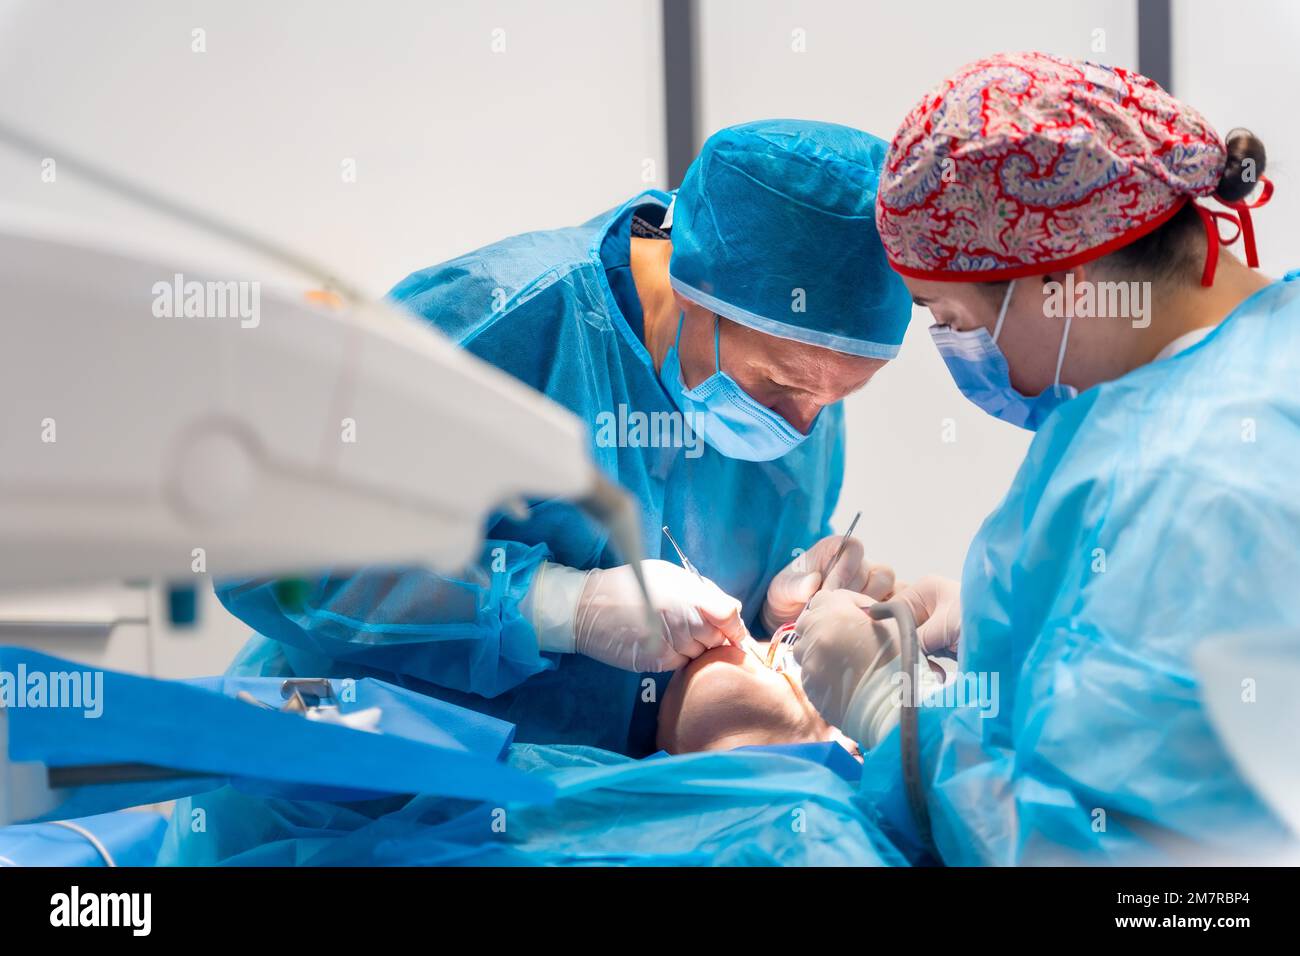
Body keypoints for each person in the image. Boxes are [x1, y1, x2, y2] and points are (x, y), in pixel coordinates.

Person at [214, 119, 911, 754]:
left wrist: (783, 605)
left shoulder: (803, 368)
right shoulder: (506, 321)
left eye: (843, 395)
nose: (802, 425)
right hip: (362, 787)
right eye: (779, 388)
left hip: (599, 807)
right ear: (693, 289)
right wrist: (558, 606)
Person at [794, 51, 1300, 864]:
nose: (954, 347)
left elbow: (1140, 881)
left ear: (1055, 280)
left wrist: (895, 717)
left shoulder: (1187, 486)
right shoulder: (1253, 358)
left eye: (944, 314)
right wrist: (1027, 633)